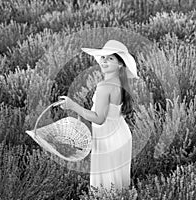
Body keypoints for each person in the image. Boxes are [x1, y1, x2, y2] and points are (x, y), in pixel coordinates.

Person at [58, 40, 138, 192]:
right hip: (121, 136)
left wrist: (72, 105)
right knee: (118, 185)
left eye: (111, 58)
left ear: (120, 64)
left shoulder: (104, 87)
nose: (104, 61)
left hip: (108, 140)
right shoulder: (121, 83)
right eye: (103, 57)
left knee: (105, 187)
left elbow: (99, 119)